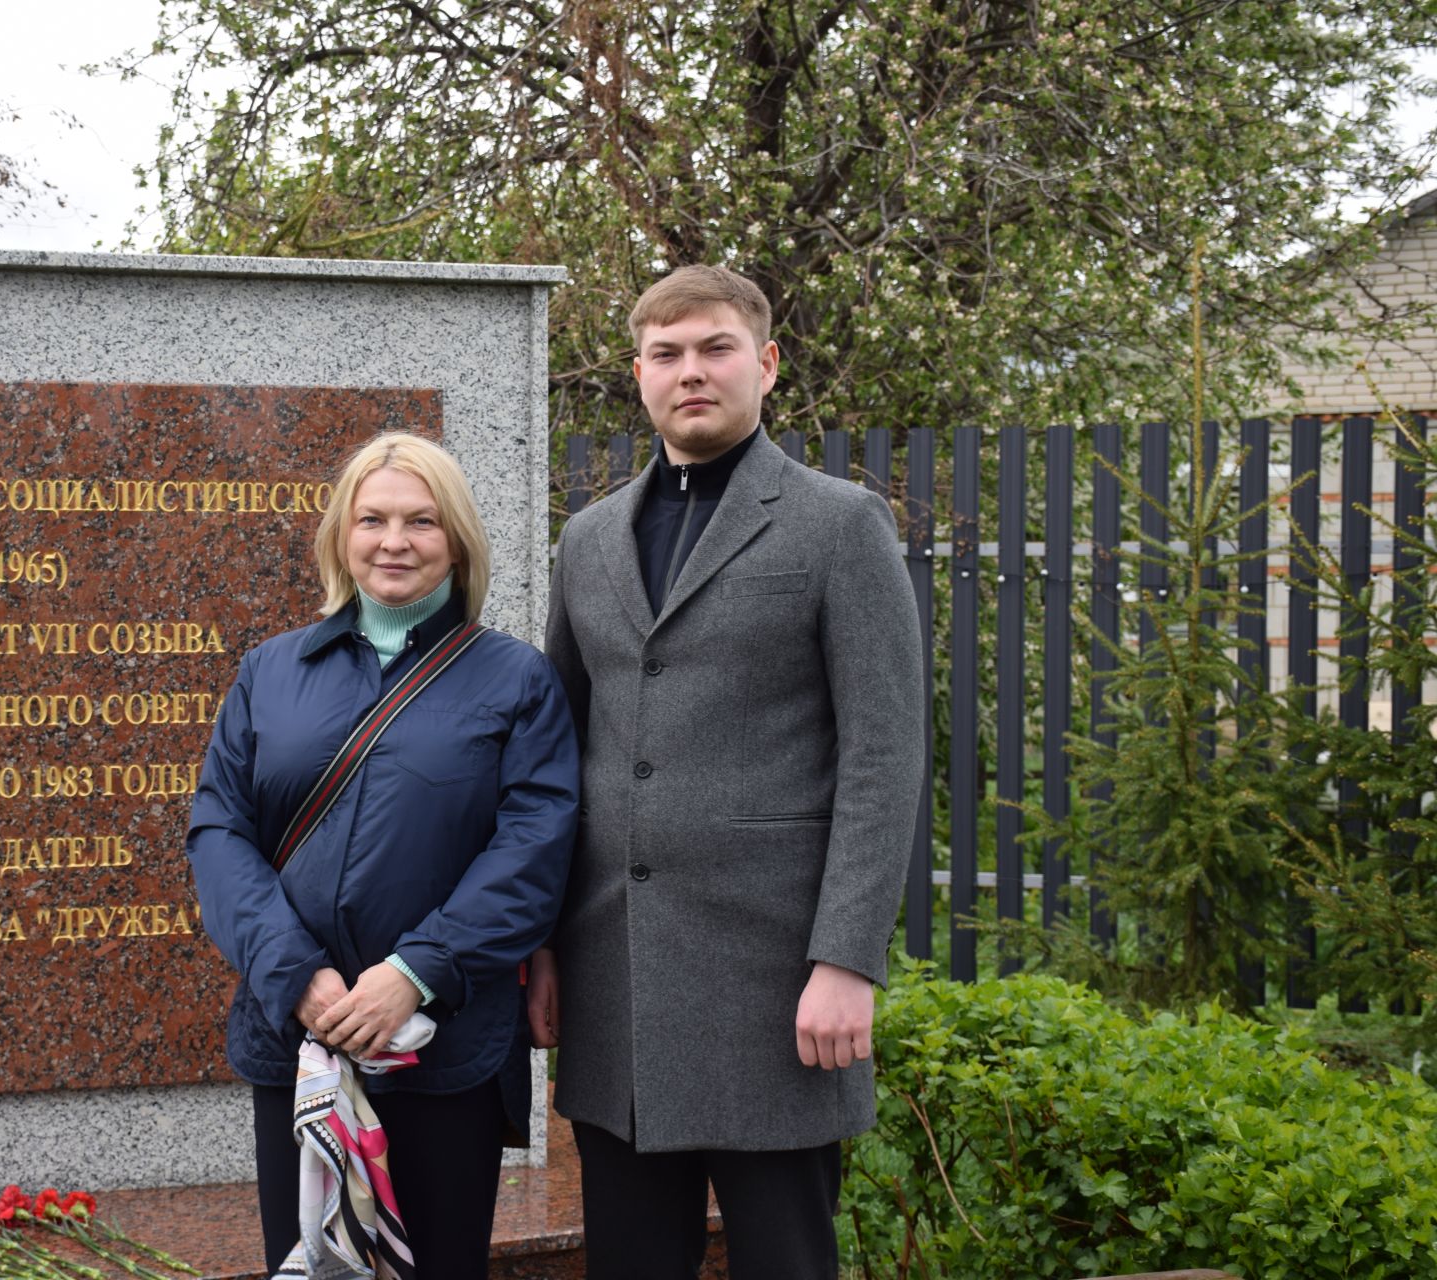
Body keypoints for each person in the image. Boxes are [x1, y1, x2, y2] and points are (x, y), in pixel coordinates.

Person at [533, 265, 923, 1279]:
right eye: (667, 354)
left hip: (779, 983)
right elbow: (551, 759)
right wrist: (537, 945)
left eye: (714, 348)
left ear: (767, 363)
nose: (690, 372)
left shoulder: (839, 526)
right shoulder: (586, 541)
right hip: (615, 978)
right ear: (639, 374)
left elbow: (883, 755)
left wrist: (848, 958)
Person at [188, 432, 579, 1280]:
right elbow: (220, 832)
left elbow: (534, 847)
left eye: (420, 521)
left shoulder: (516, 680)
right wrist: (296, 975)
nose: (394, 541)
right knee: (311, 1267)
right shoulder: (271, 671)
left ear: (457, 541)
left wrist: (416, 969)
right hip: (304, 1036)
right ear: (341, 535)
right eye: (372, 519)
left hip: (446, 1044)